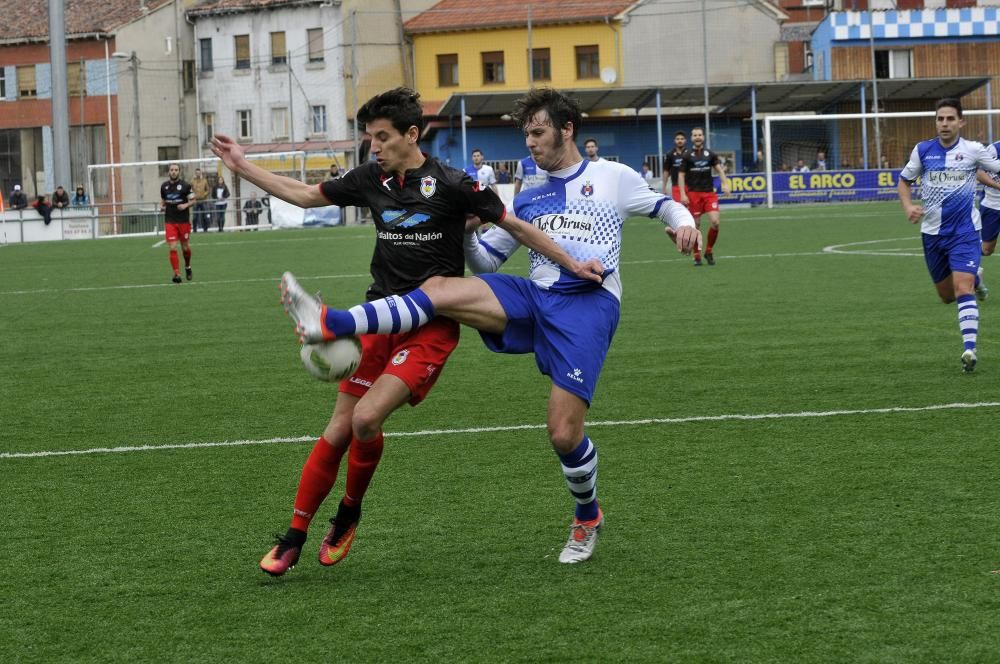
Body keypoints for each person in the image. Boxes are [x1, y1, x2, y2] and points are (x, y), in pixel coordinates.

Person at [279, 87, 698, 565]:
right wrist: (466, 235)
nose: (531, 144)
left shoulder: (612, 177)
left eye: (538, 133)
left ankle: (587, 515)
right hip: (535, 295)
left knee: (563, 434)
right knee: (440, 285)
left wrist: (684, 223)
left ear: (567, 130)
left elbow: (664, 205)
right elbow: (486, 262)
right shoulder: (530, 194)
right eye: (527, 135)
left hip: (588, 304)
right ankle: (334, 321)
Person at [210, 87, 602, 577]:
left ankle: (349, 511)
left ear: (411, 135)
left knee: (365, 421)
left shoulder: (456, 183)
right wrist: (240, 164)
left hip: (430, 330)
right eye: (370, 138)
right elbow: (305, 195)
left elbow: (519, 228)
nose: (373, 147)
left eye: (382, 137)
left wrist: (569, 262)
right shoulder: (368, 179)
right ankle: (293, 536)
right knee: (336, 430)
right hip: (381, 317)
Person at [897, 98, 1000, 373]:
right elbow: (904, 181)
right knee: (945, 295)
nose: (945, 123)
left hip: (966, 232)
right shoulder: (923, 151)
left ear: (961, 122)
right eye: (940, 119)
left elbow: (994, 169)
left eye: (950, 119)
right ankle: (977, 277)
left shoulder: (973, 150)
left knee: (962, 288)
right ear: (936, 122)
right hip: (932, 234)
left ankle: (970, 349)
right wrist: (908, 206)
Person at [678, 126, 731, 266]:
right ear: (691, 138)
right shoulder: (687, 155)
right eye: (695, 135)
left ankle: (708, 251)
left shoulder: (711, 154)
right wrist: (683, 193)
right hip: (694, 194)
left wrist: (725, 184)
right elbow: (681, 175)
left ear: (703, 137)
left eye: (700, 135)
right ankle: (697, 255)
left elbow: (720, 170)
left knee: (715, 222)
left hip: (709, 193)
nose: (697, 137)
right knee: (695, 225)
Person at [159, 163, 195, 283]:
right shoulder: (164, 186)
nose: (174, 172)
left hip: (183, 221)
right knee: (173, 247)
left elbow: (193, 200)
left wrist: (185, 205)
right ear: (168, 172)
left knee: (185, 248)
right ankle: (177, 273)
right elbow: (163, 200)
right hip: (170, 221)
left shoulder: (186, 186)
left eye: (176, 170)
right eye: (172, 170)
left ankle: (188, 267)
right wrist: (162, 206)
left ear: (179, 172)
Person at [978, 139, 1000, 271]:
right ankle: (963, 254)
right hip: (992, 205)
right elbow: (979, 173)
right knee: (987, 249)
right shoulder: (994, 149)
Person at [190, 168, 210, 233]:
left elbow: (208, 190)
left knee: (205, 215)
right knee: (195, 216)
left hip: (203, 200)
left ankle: (205, 229)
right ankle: (195, 229)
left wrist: (204, 194)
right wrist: (193, 196)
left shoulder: (204, 180)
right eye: (197, 173)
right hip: (195, 200)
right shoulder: (192, 181)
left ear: (200, 173)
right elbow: (190, 189)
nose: (198, 174)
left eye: (199, 172)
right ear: (195, 173)